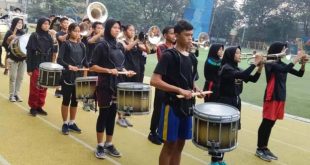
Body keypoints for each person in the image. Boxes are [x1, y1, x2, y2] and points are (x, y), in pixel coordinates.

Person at [150, 20, 204, 165]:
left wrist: (195, 88)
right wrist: (179, 90)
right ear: (177, 35)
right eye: (187, 35)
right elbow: (154, 81)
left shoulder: (192, 57)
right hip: (172, 106)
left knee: (180, 145)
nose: (190, 38)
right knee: (169, 145)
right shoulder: (169, 55)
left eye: (191, 35)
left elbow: (188, 79)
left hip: (187, 106)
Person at [90, 19, 135, 159]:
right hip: (104, 85)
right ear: (108, 28)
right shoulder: (101, 45)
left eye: (118, 28)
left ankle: (109, 144)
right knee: (103, 115)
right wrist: (108, 70)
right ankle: (100, 145)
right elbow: (92, 66)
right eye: (114, 27)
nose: (117, 30)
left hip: (117, 85)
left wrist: (126, 71)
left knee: (112, 115)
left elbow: (120, 66)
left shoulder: (119, 46)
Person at [211, 46, 263, 165]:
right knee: (221, 133)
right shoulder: (226, 68)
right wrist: (255, 63)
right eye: (238, 53)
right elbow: (244, 74)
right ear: (230, 55)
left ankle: (220, 159)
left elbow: (253, 79)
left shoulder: (236, 68)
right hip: (225, 103)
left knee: (228, 133)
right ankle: (215, 160)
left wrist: (260, 67)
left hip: (235, 102)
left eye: (240, 53)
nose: (240, 55)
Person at [255, 42, 306, 162]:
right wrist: (296, 58)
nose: (285, 52)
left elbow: (299, 74)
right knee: (266, 123)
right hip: (271, 96)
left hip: (280, 96)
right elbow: (284, 70)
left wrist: (302, 64)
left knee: (271, 123)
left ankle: (264, 147)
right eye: (283, 50)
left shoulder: (280, 63)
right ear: (276, 50)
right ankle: (260, 148)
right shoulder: (269, 63)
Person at [57, 23, 88, 135]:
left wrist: (92, 66)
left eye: (79, 31)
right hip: (67, 76)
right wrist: (69, 66)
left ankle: (72, 122)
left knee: (75, 100)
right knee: (66, 99)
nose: (77, 33)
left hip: (78, 77)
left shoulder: (82, 46)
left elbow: (85, 62)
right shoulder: (65, 44)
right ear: (69, 31)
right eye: (75, 31)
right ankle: (65, 123)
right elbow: (59, 60)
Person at [148, 26, 175, 145]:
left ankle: (162, 132)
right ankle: (152, 132)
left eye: (175, 33)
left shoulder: (175, 48)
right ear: (165, 35)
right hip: (161, 81)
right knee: (158, 109)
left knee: (168, 109)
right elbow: (164, 61)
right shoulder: (161, 47)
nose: (174, 35)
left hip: (171, 83)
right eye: (172, 33)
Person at [26, 17, 58, 116]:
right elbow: (29, 52)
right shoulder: (34, 35)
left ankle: (40, 106)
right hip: (36, 64)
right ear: (40, 24)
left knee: (44, 87)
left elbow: (54, 50)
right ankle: (33, 107)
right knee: (35, 87)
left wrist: (54, 38)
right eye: (44, 24)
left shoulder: (50, 37)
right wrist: (29, 68)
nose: (46, 26)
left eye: (48, 24)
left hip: (47, 65)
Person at [2, 18, 26, 102]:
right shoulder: (10, 32)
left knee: (20, 77)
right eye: (18, 22)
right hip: (13, 58)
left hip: (22, 58)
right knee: (13, 77)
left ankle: (17, 94)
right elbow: (4, 44)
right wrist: (9, 40)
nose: (20, 24)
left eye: (21, 23)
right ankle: (11, 95)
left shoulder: (23, 33)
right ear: (14, 23)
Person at [54, 17, 70, 98]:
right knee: (60, 73)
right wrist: (69, 32)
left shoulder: (71, 33)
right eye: (64, 23)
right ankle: (58, 90)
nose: (66, 24)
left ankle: (65, 90)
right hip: (61, 55)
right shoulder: (58, 33)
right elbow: (62, 39)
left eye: (67, 23)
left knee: (67, 74)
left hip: (70, 56)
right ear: (61, 24)